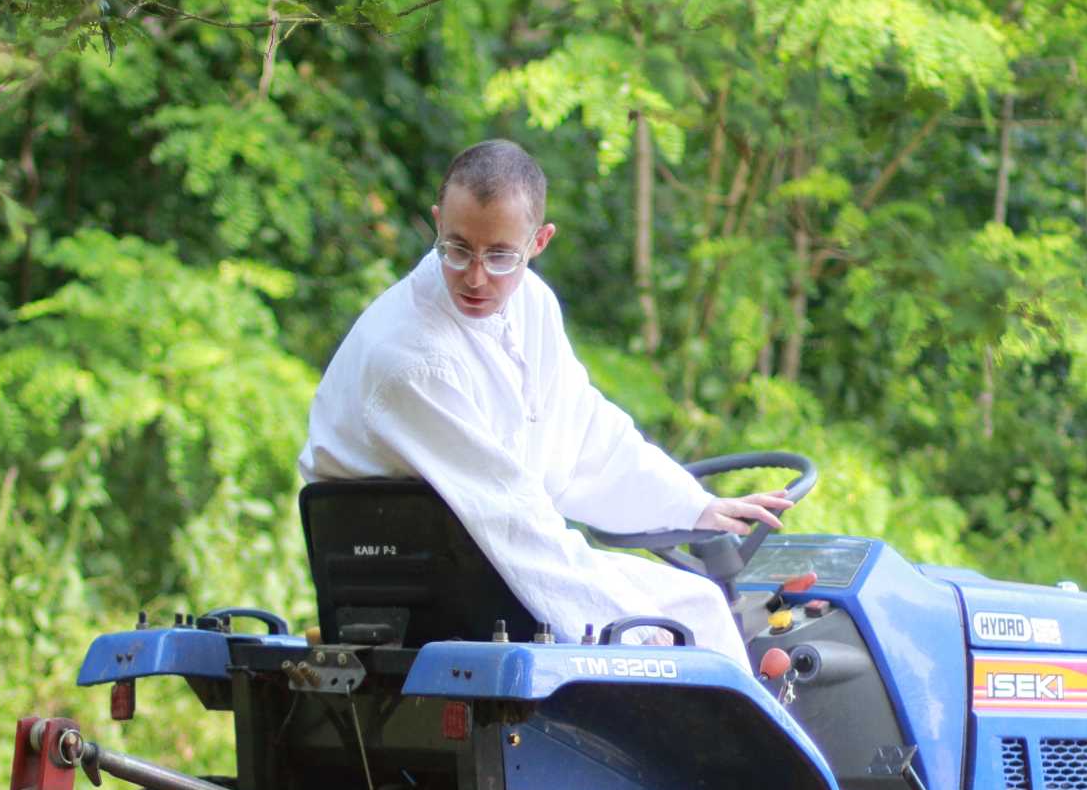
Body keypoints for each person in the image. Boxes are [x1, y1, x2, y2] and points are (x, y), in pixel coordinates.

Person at [299, 140, 788, 671]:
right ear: (437, 223)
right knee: (691, 615)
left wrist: (692, 505)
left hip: (485, 560)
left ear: (539, 242)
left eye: (500, 255)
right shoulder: (413, 360)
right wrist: (637, 631)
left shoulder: (532, 303)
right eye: (457, 249)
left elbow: (583, 433)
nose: (476, 277)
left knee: (690, 606)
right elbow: (508, 517)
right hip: (435, 586)